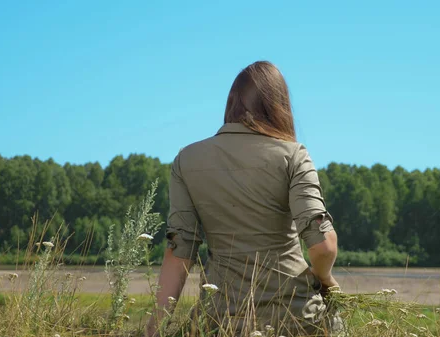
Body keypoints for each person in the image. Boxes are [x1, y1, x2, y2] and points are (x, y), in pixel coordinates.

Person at [145, 61, 341, 337]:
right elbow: (323, 247)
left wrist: (154, 330)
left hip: (219, 322)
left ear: (230, 103)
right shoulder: (293, 155)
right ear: (279, 105)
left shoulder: (186, 160)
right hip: (297, 320)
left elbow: (179, 253)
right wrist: (325, 280)